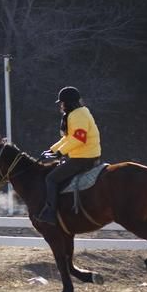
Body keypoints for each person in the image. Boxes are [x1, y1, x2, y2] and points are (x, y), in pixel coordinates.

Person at [37, 86, 102, 224]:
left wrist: (60, 153)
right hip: (83, 155)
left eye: (62, 102)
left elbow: (79, 139)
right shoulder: (78, 113)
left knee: (51, 179)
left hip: (83, 158)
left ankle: (50, 214)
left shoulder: (78, 115)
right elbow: (68, 138)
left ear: (68, 102)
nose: (61, 105)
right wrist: (52, 150)